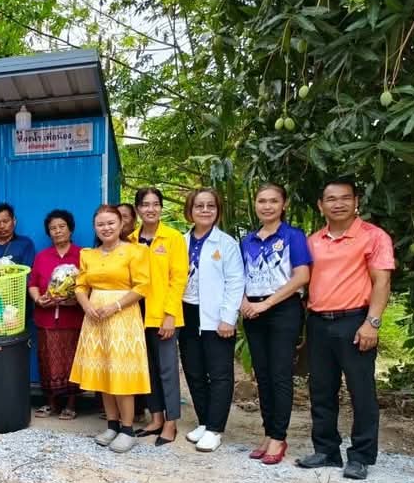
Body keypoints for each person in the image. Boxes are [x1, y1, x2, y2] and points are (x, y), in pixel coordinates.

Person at [297, 181, 393, 480]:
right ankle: (326, 450)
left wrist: (372, 323)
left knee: (361, 390)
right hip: (318, 322)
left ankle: (361, 456)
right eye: (331, 199)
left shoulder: (373, 236)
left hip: (355, 321)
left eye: (344, 198)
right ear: (320, 205)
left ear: (356, 201)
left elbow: (382, 282)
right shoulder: (313, 241)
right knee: (321, 389)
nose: (338, 204)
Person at [240, 184, 311, 466]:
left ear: (284, 204)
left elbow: (302, 276)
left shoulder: (293, 236)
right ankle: (268, 432)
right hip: (253, 312)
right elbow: (239, 277)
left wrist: (267, 304)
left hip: (283, 309)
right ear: (255, 204)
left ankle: (279, 437)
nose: (267, 206)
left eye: (273, 201)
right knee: (263, 374)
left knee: (280, 374)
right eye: (262, 201)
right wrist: (244, 302)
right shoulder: (247, 240)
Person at [70, 205, 151, 453]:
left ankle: (127, 429)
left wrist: (115, 306)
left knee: (121, 373)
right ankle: (112, 424)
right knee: (103, 371)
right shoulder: (89, 255)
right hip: (95, 317)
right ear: (95, 228)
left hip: (123, 317)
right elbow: (80, 285)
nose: (106, 228)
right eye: (101, 224)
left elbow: (142, 286)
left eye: (111, 223)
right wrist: (86, 306)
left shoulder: (135, 251)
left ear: (121, 224)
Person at [179, 188, 245, 453]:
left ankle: (215, 429)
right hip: (187, 312)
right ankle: (204, 421)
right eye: (199, 206)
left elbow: (235, 282)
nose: (205, 210)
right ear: (190, 210)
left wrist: (228, 318)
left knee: (219, 374)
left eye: (211, 206)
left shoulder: (226, 243)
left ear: (218, 211)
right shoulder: (181, 241)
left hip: (216, 316)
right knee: (194, 371)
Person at [128, 188, 187, 446]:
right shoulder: (130, 239)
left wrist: (170, 315)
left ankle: (171, 422)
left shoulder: (173, 238)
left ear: (161, 208)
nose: (150, 209)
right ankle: (156, 418)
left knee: (167, 370)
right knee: (148, 369)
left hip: (163, 314)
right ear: (138, 209)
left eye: (155, 204)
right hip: (136, 314)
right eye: (145, 204)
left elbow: (178, 279)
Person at [28, 209, 83, 420]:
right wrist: (38, 299)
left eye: (62, 227)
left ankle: (71, 404)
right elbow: (33, 284)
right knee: (47, 361)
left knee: (72, 361)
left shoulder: (82, 255)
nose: (58, 231)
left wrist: (74, 300)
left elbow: (88, 286)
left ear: (70, 229)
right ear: (48, 232)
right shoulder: (42, 256)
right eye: (53, 228)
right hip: (46, 318)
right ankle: (50, 403)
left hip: (73, 318)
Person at [0, 203, 37, 268]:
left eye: (5, 221)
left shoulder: (25, 243)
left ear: (14, 221)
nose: (2, 226)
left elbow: (27, 271)